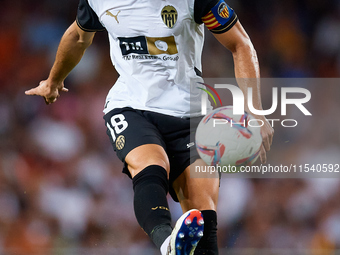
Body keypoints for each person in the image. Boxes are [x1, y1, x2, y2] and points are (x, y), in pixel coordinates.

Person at [25, 0, 274, 254]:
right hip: (131, 106)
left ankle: (178, 246)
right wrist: (53, 80)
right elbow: (78, 35)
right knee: (152, 164)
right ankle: (167, 244)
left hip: (190, 114)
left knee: (202, 215)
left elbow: (240, 43)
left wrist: (254, 109)